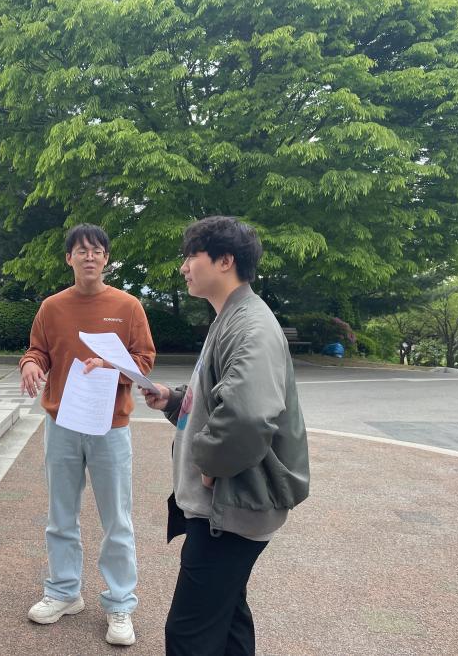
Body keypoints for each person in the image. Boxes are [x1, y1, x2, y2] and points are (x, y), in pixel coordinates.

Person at [140, 216, 310, 656]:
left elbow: (248, 416)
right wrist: (175, 400)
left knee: (189, 634)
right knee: (228, 616)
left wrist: (210, 464)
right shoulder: (234, 316)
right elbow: (222, 396)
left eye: (191, 256)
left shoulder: (250, 326)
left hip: (229, 511)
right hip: (231, 507)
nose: (184, 267)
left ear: (225, 260)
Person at [20, 223, 156, 647]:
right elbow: (38, 349)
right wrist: (31, 364)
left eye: (97, 250)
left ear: (106, 258)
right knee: (60, 514)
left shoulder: (128, 306)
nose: (90, 256)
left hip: (110, 424)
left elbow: (144, 359)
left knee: (117, 518)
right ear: (69, 258)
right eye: (81, 250)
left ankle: (120, 603)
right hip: (62, 422)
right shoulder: (52, 307)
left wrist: (112, 366)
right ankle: (64, 592)